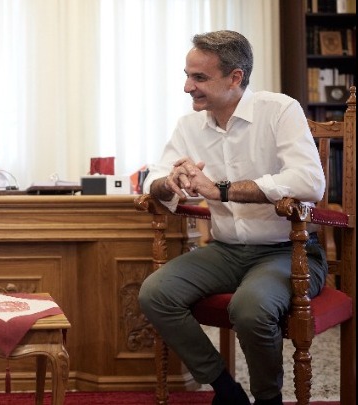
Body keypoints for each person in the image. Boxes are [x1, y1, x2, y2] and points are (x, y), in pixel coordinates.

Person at [137, 30, 327, 405]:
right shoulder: (189, 126)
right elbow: (151, 180)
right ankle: (226, 390)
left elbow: (309, 182)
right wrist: (168, 182)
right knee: (155, 294)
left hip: (289, 251)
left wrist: (220, 190)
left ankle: (268, 399)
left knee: (250, 308)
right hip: (225, 250)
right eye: (187, 76)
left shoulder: (280, 110)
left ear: (235, 77)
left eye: (199, 78)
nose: (187, 87)